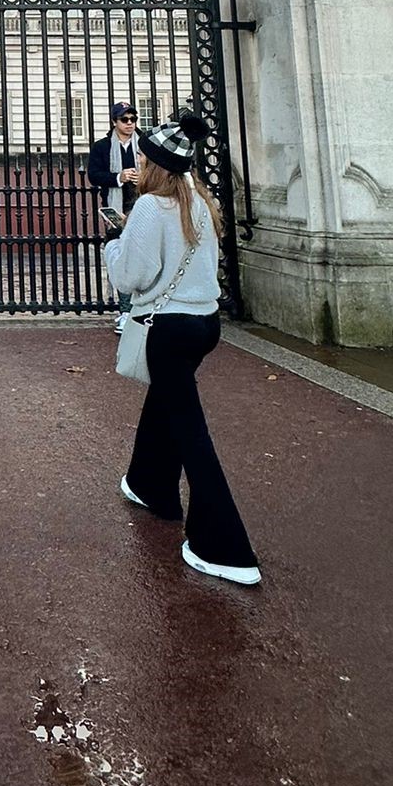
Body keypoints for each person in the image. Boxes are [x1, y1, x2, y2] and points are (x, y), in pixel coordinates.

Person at [102, 110, 261, 586]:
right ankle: (150, 485)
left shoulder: (151, 207)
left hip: (169, 329)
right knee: (166, 402)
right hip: (204, 323)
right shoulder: (198, 200)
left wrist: (114, 243)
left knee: (192, 432)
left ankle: (225, 547)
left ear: (152, 164)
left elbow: (132, 276)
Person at [87, 102, 142, 220]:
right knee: (116, 237)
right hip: (115, 204)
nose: (129, 123)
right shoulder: (101, 146)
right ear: (114, 122)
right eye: (124, 119)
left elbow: (158, 170)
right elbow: (93, 176)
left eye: (133, 119)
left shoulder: (145, 144)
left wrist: (144, 177)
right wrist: (118, 177)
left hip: (142, 203)